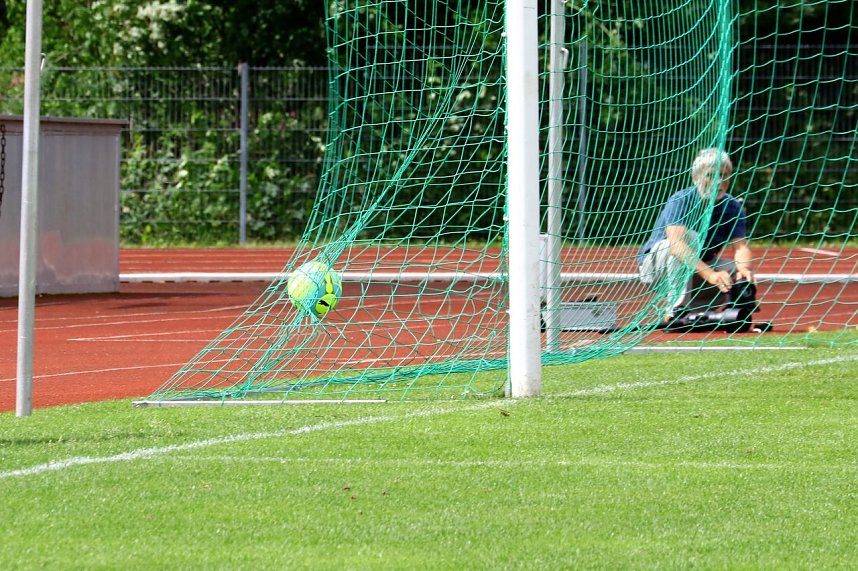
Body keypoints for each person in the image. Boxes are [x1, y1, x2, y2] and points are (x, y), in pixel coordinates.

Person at [637, 148, 755, 322]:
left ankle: (703, 311)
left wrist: (744, 269)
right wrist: (710, 275)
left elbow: (741, 247)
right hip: (656, 268)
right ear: (696, 178)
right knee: (689, 239)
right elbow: (677, 246)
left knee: (736, 269)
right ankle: (674, 311)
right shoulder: (682, 200)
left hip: (694, 269)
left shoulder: (732, 207)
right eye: (710, 175)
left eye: (723, 175)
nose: (718, 182)